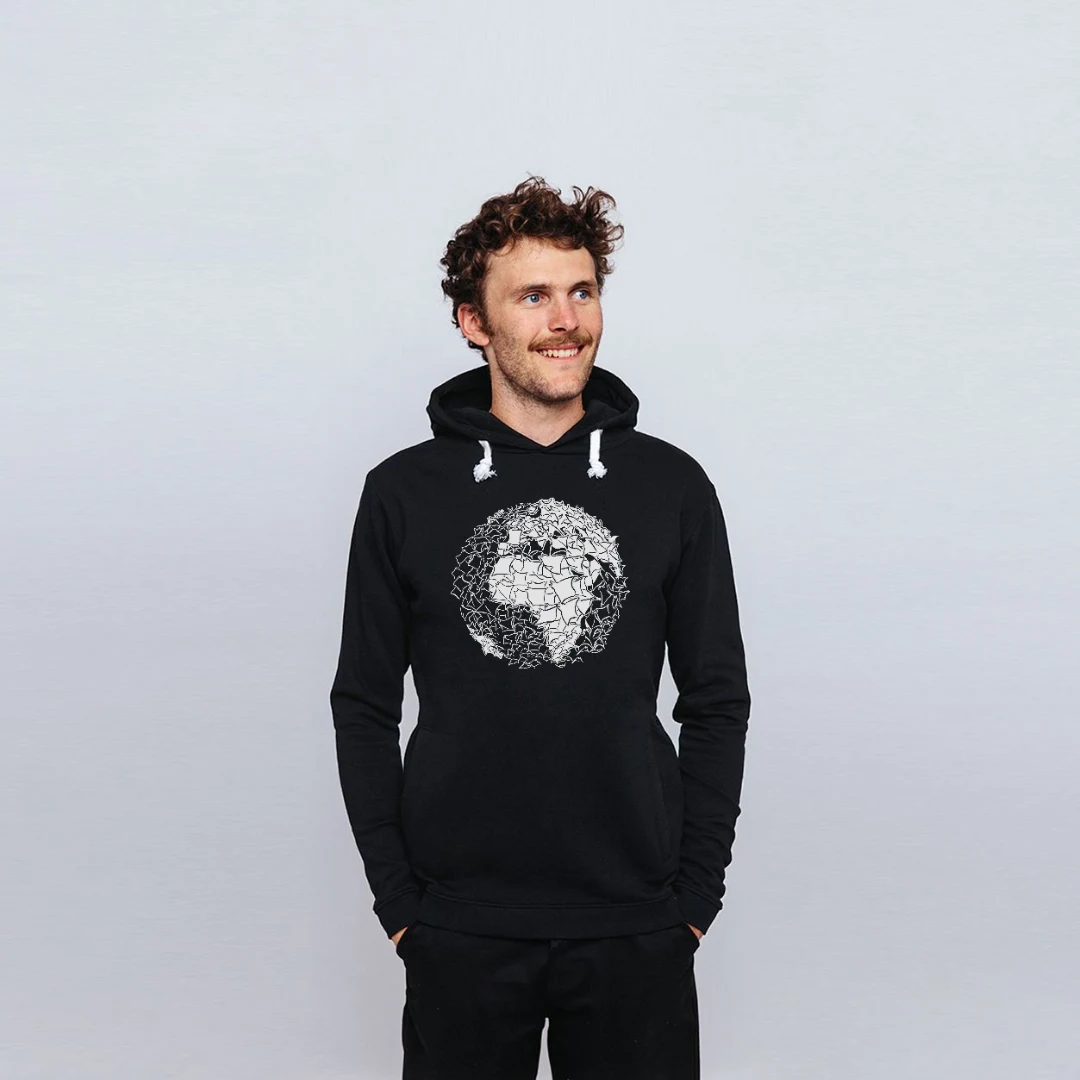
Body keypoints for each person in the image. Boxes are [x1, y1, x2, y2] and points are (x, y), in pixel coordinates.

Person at [329, 175, 752, 1080]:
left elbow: (717, 700)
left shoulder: (673, 487)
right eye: (532, 296)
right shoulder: (402, 494)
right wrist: (401, 905)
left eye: (582, 291)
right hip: (458, 926)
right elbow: (362, 704)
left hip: (637, 924)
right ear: (473, 322)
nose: (566, 320)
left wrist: (693, 899)